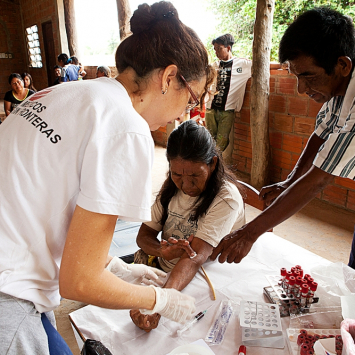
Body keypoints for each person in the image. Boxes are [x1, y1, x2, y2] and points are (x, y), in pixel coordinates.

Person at [0, 2, 214, 354]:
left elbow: (40, 202)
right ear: (169, 78)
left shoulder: (63, 92)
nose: (185, 114)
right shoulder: (127, 129)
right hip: (10, 293)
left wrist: (117, 267)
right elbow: (79, 282)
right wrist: (160, 300)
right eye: (190, 99)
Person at [210, 7, 355, 270]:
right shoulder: (338, 93)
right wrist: (288, 183)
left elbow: (320, 178)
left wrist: (248, 233)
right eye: (296, 76)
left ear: (342, 65)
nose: (301, 89)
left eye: (308, 76)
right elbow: (319, 136)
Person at [129, 120, 245, 332]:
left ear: (213, 163)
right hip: (164, 271)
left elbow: (194, 259)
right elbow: (143, 236)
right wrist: (161, 250)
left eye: (194, 175)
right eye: (177, 175)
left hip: (200, 277)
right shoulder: (171, 189)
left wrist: (161, 302)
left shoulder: (226, 198)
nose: (185, 185)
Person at [205, 34, 252, 152]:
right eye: (215, 49)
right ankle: (211, 163)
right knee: (209, 140)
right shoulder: (214, 65)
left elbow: (263, 65)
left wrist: (283, 65)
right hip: (211, 109)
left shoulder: (243, 64)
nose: (216, 52)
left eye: (219, 49)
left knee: (222, 141)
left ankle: (214, 163)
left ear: (228, 48)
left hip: (227, 111)